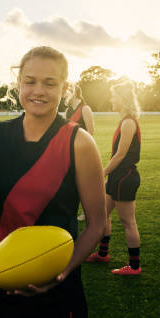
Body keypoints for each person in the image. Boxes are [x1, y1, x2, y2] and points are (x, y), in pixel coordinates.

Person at [0, 46, 106, 318]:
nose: (39, 91)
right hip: (1, 279)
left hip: (58, 287)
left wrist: (60, 273)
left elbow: (97, 224)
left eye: (50, 83)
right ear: (18, 83)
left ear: (65, 88)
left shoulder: (79, 143)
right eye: (30, 81)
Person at [86, 80, 142, 275]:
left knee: (128, 222)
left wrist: (101, 173)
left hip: (124, 177)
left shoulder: (128, 123)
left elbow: (120, 155)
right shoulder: (125, 120)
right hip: (118, 177)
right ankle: (103, 255)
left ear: (122, 99)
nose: (111, 99)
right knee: (103, 215)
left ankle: (134, 267)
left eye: (114, 96)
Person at [64, 84, 95, 222]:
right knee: (71, 182)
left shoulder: (85, 108)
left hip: (83, 151)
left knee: (84, 184)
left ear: (75, 92)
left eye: (67, 92)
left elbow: (91, 131)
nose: (64, 94)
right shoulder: (68, 110)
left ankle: (86, 212)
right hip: (69, 151)